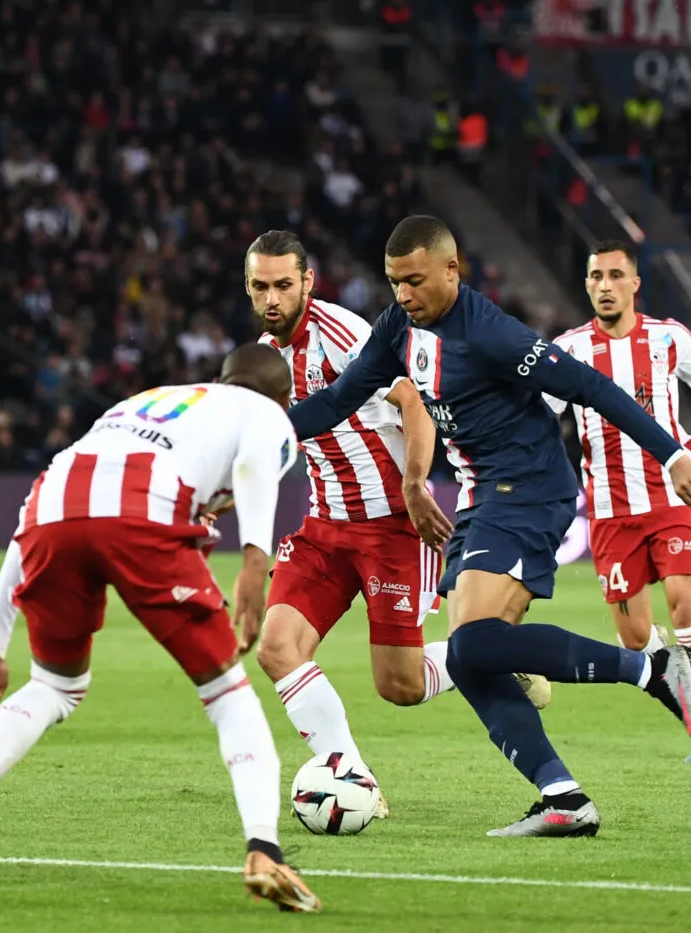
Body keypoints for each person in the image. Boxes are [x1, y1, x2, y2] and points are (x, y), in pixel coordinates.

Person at [287, 216, 691, 837]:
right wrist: (259, 430)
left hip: (532, 489)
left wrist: (671, 453)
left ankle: (654, 670)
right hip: (484, 498)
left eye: (414, 281)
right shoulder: (397, 328)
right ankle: (563, 796)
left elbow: (591, 386)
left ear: (451, 270)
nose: (403, 294)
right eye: (393, 282)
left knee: (475, 645)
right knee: (470, 660)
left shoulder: (490, 333)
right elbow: (335, 402)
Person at [0, 345, 321, 914]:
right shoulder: (266, 412)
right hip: (142, 507)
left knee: (55, 685)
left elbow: (30, 516)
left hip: (53, 504)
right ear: (283, 398)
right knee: (227, 694)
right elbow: (256, 458)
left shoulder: (149, 402)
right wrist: (255, 559)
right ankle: (264, 850)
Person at [245, 231, 455, 820]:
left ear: (307, 282)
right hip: (323, 530)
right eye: (261, 287)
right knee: (277, 648)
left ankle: (481, 655)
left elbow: (414, 404)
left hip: (391, 526)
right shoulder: (263, 360)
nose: (273, 299)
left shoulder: (343, 333)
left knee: (401, 687)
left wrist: (415, 485)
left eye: (284, 285)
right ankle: (352, 777)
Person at [548, 241, 691, 765]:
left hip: (672, 491)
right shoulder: (568, 350)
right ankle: (674, 670)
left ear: (634, 284)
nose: (605, 285)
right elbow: (540, 413)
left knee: (686, 602)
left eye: (616, 275)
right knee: (635, 635)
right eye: (596, 276)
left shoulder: (668, 337)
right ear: (587, 284)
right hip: (611, 509)